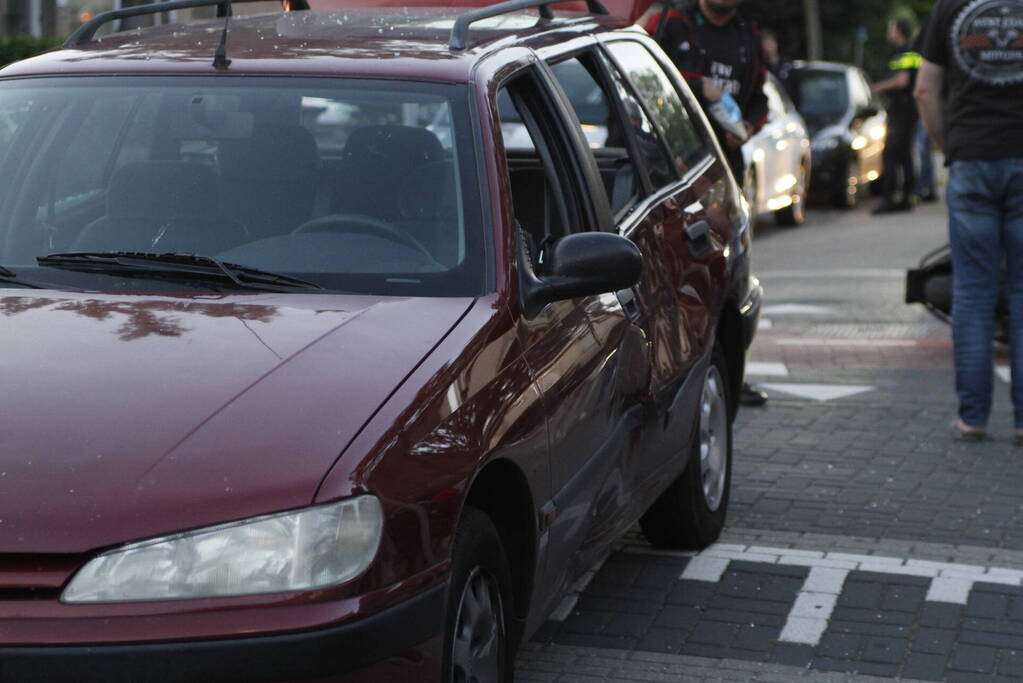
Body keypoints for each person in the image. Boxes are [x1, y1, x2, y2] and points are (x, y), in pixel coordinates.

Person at [651, 0, 771, 407]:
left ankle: (728, 369)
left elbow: (760, 98)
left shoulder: (747, 34)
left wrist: (748, 126)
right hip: (675, 170)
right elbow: (650, 79)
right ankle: (675, 372)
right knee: (679, 271)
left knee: (728, 269)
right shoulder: (675, 23)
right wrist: (700, 85)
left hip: (724, 169)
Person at [915, 0, 1023, 442]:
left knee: (974, 293)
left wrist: (951, 148)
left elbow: (924, 90)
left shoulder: (950, 7)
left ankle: (973, 418)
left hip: (971, 159)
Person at [872, 16, 922, 214]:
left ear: (899, 30)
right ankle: (907, 197)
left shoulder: (905, 52)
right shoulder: (909, 51)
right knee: (905, 154)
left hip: (901, 110)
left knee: (890, 155)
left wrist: (877, 87)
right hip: (907, 109)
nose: (889, 31)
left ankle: (889, 199)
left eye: (891, 28)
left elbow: (902, 81)